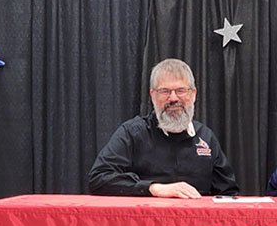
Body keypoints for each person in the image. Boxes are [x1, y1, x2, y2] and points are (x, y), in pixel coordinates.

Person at [88, 58, 238, 198]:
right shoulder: (132, 133)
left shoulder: (206, 137)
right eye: (165, 91)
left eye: (181, 90)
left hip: (196, 224)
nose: (173, 98)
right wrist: (153, 188)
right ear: (152, 96)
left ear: (193, 94)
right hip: (146, 224)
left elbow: (228, 193)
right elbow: (99, 178)